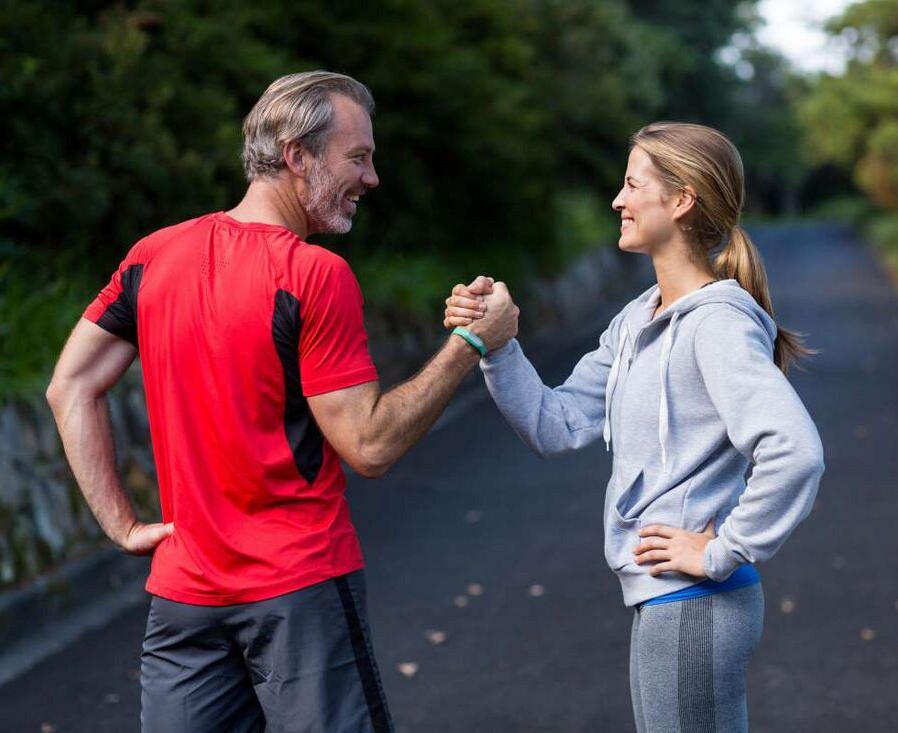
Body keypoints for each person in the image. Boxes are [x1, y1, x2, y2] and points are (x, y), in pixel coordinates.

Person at [46, 71, 517, 732]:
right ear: (297, 155)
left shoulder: (154, 257)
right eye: (358, 157)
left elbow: (69, 384)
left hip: (184, 596)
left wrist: (121, 525)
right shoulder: (312, 274)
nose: (372, 177)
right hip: (298, 590)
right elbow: (371, 444)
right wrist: (471, 341)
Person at [444, 122, 825, 732]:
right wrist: (498, 345)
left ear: (681, 200)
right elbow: (556, 423)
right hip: (667, 600)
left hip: (695, 600)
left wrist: (726, 548)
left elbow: (795, 449)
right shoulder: (637, 320)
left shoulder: (716, 324)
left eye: (631, 184)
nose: (618, 200)